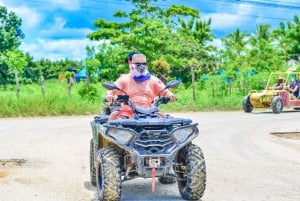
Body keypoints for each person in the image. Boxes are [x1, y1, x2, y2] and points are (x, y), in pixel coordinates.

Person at [106, 52, 176, 120]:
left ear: (146, 65)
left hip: (151, 112)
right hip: (128, 112)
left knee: (165, 121)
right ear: (132, 65)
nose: (141, 66)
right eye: (138, 64)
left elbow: (165, 92)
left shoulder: (153, 80)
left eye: (144, 64)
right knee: (115, 121)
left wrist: (171, 95)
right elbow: (111, 89)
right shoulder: (124, 79)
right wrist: (109, 96)